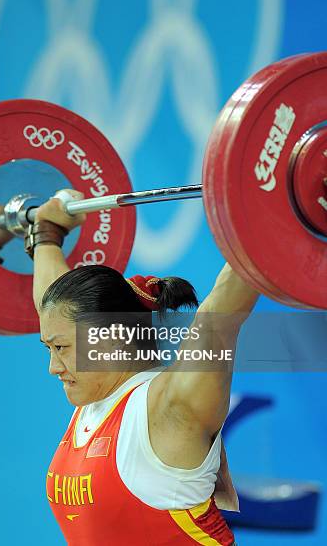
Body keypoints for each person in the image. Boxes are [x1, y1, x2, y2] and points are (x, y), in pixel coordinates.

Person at [22, 189, 260, 546]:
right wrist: (47, 234)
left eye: (61, 348)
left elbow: (220, 316)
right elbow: (51, 305)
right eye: (49, 348)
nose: (53, 367)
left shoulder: (168, 407)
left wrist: (274, 206)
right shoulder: (94, 400)